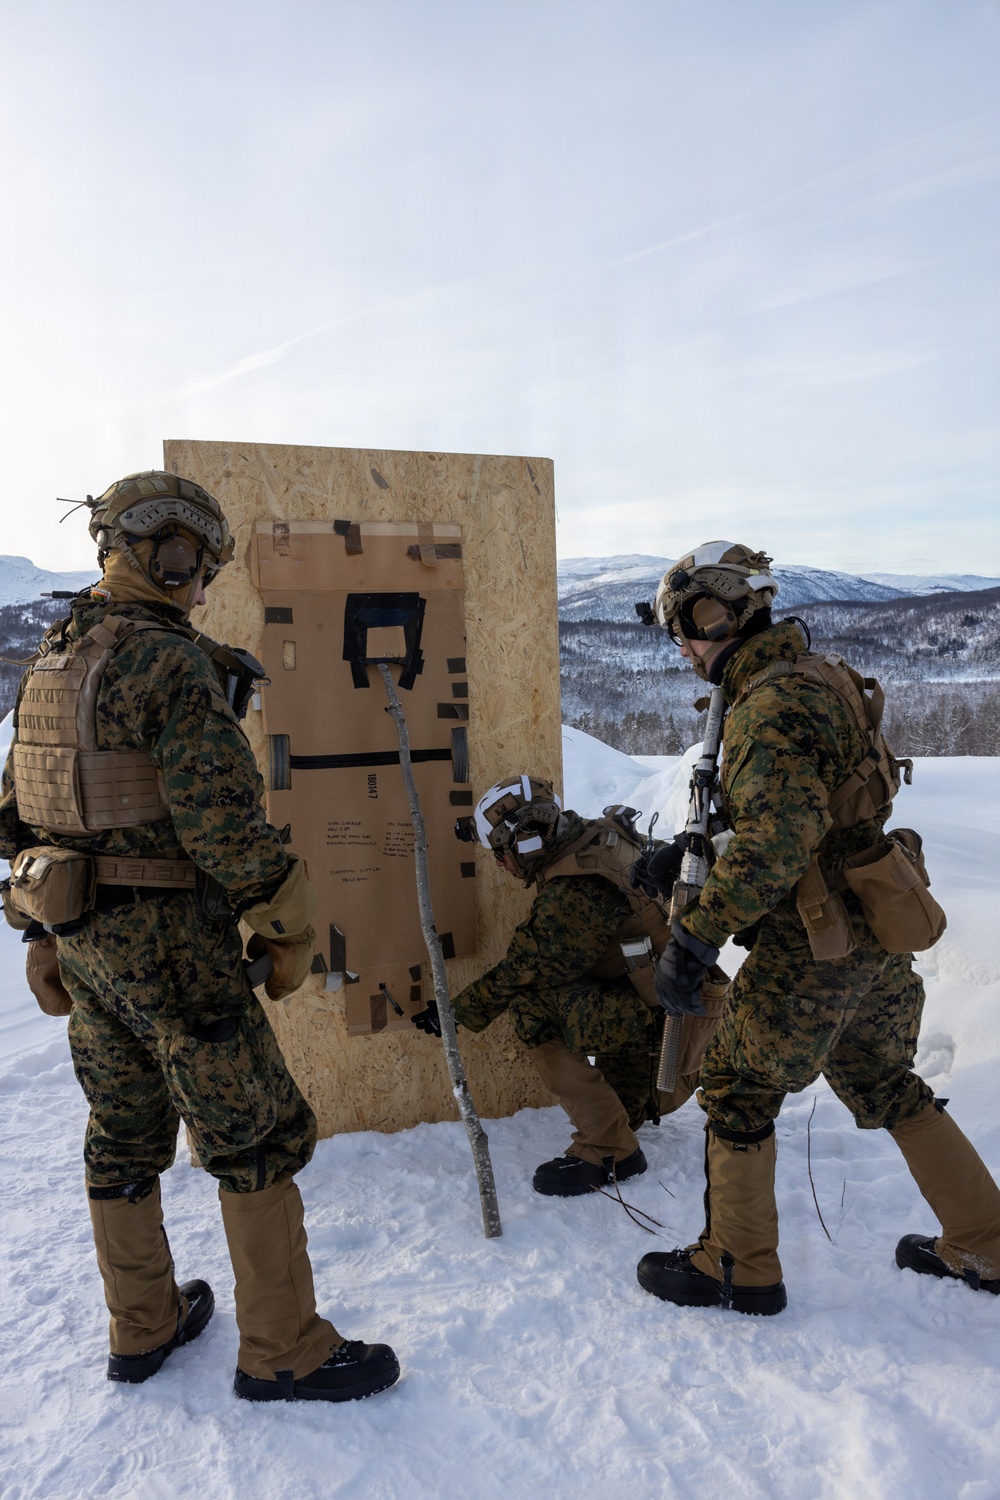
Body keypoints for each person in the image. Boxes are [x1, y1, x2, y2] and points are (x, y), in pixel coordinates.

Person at [0, 470, 400, 1400]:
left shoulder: (57, 657)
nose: (200, 581)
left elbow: (20, 815)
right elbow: (225, 828)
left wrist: (37, 935)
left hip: (87, 941)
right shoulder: (172, 664)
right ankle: (285, 1349)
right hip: (175, 947)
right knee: (252, 1132)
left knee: (124, 1130)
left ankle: (141, 1327)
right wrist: (289, 926)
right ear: (162, 555)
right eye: (193, 561)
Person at [633, 540, 1000, 1314]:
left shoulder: (767, 705)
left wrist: (697, 936)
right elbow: (811, 809)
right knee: (880, 1077)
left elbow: (779, 842)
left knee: (736, 1085)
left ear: (716, 615)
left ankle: (736, 1264)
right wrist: (690, 852)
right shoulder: (811, 676)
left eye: (685, 630)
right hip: (873, 927)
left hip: (818, 937)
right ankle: (988, 1239)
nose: (683, 648)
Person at [411, 776, 725, 1195]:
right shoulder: (592, 837)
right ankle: (641, 1105)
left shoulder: (575, 889)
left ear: (527, 843)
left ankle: (610, 1148)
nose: (502, 866)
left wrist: (452, 1014)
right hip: (676, 1020)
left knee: (530, 1005)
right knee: (624, 1108)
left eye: (501, 854)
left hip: (669, 1037)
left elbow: (525, 968)